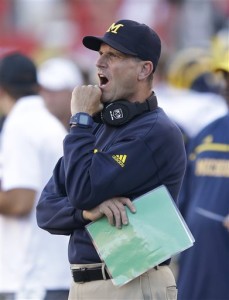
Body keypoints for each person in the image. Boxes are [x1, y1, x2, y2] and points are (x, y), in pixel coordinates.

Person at [36, 19, 186, 300]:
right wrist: (86, 213)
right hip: (86, 285)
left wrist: (79, 119)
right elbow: (45, 209)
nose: (99, 63)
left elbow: (83, 191)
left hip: (133, 281)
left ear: (144, 69)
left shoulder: (155, 132)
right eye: (100, 54)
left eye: (113, 55)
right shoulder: (98, 125)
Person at [0, 52, 71, 300]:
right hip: (52, 272)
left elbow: (20, 201)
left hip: (31, 280)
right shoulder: (46, 121)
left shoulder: (20, 125)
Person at [177, 47, 229, 299]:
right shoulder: (206, 134)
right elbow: (182, 201)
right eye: (226, 78)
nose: (227, 86)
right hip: (195, 273)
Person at [38, 57, 84, 130]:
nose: (47, 98)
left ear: (74, 93)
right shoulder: (34, 127)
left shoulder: (89, 128)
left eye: (53, 91)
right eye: (43, 90)